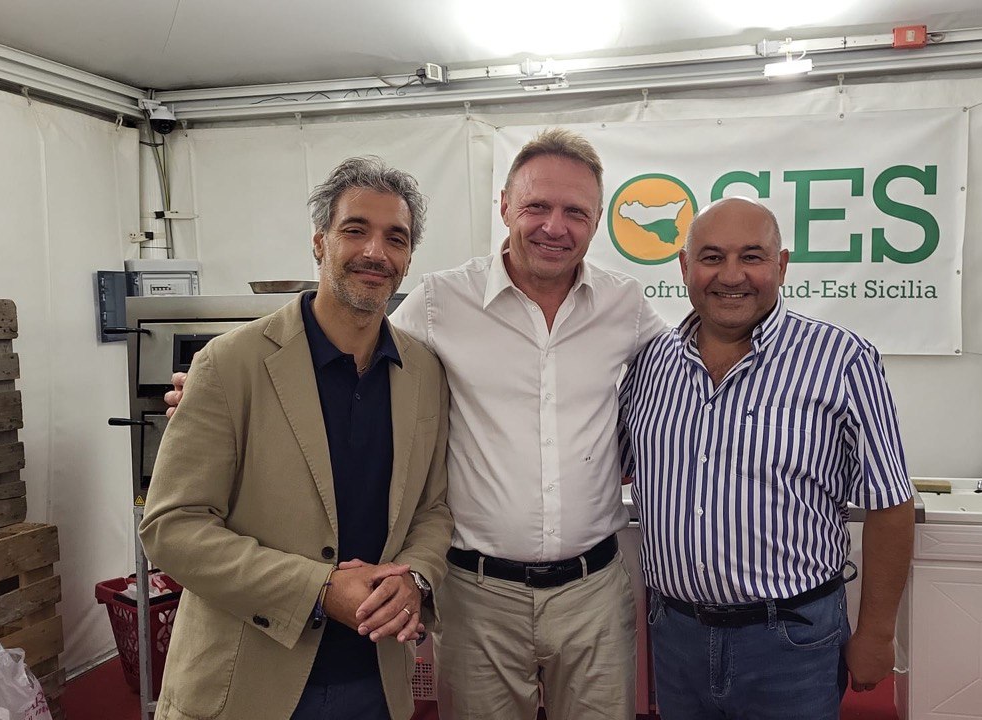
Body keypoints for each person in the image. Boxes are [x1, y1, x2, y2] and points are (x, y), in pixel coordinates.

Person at [139, 156, 452, 720]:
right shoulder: (229, 364)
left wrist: (416, 578)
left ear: (408, 259)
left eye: (396, 238)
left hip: (377, 681)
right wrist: (318, 589)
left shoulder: (424, 372)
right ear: (319, 242)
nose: (375, 252)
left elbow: (433, 509)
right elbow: (172, 526)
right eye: (355, 230)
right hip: (246, 684)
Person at [390, 127, 667, 719]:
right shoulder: (440, 302)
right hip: (475, 595)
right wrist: (225, 380)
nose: (554, 227)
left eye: (576, 212)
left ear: (597, 222)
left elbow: (691, 373)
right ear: (505, 207)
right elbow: (357, 369)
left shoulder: (624, 304)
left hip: (594, 593)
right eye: (537, 206)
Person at [619, 196, 915, 720]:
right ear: (684, 266)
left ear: (781, 265)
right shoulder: (649, 364)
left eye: (751, 257)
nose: (731, 275)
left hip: (792, 642)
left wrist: (877, 633)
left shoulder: (842, 359)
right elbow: (611, 464)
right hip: (676, 637)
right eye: (712, 257)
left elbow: (890, 504)